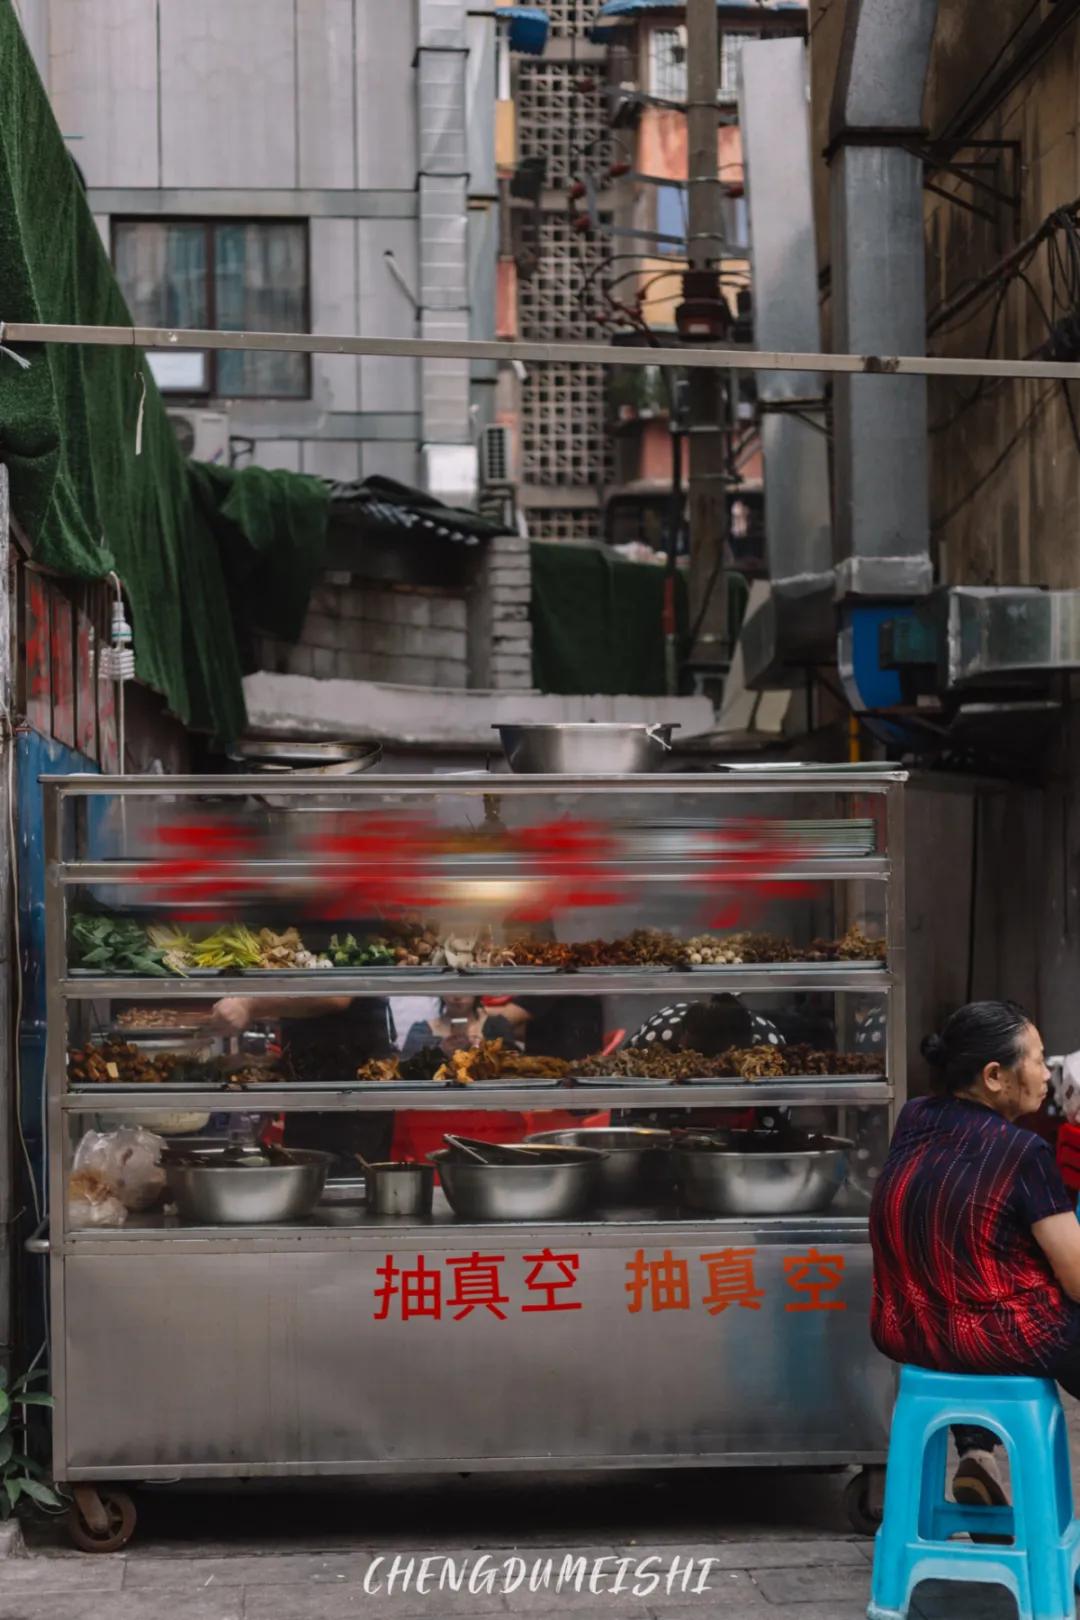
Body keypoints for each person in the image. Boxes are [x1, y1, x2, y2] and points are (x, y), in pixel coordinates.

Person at [870, 1000, 1080, 1514]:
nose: (1046, 1074)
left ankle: (977, 1457)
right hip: (999, 1338)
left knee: (970, 1298)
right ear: (994, 1076)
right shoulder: (1023, 1153)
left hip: (910, 1329)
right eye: (1036, 1058)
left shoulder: (915, 1117)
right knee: (1015, 1320)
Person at [211, 993, 395, 1171]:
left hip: (349, 1086)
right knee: (307, 1166)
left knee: (343, 1178)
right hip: (314, 1079)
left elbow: (336, 995)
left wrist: (249, 1004)